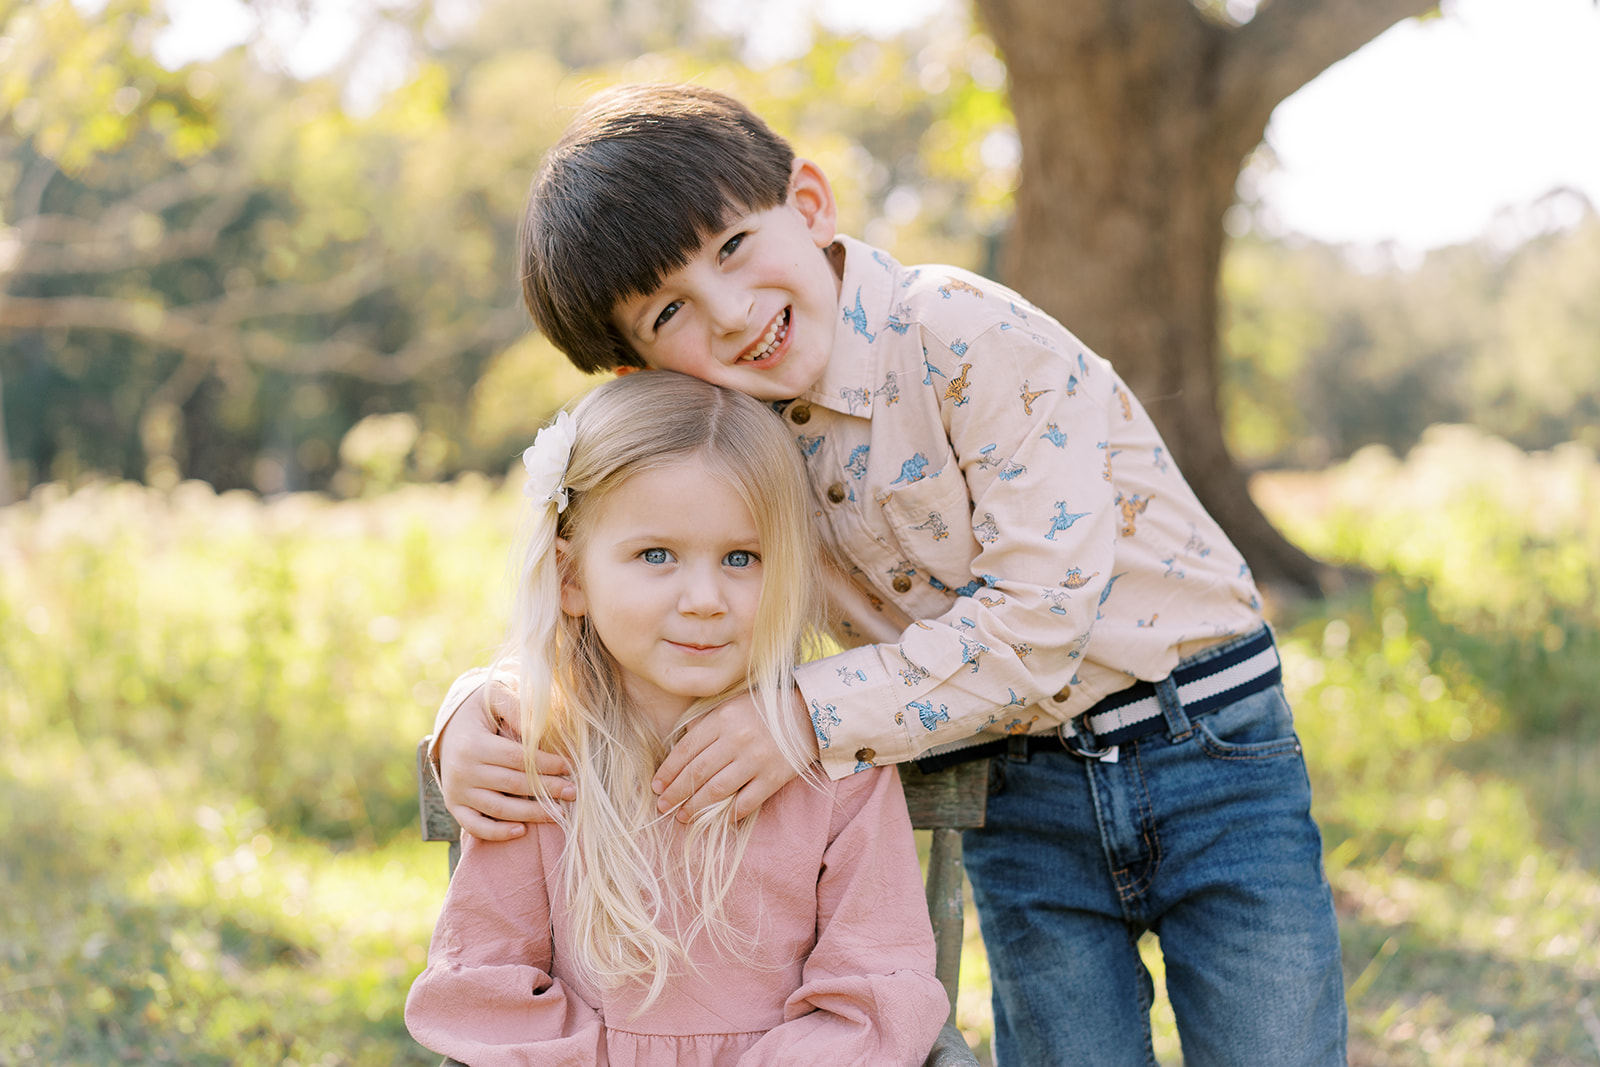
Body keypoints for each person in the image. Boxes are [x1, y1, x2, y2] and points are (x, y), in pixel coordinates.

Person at [432, 83, 1346, 1066]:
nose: (731, 313)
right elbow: (627, 593)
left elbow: (1040, 622)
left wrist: (804, 713)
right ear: (643, 373)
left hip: (1203, 738)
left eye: (733, 247)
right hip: (1010, 778)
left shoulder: (958, 331)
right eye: (670, 310)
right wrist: (480, 704)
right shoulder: (741, 446)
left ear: (810, 204)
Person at [405, 371, 949, 1066]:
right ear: (571, 578)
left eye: (742, 557)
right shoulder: (535, 754)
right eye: (656, 555)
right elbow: (485, 986)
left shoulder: (837, 763)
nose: (704, 598)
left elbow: (878, 992)